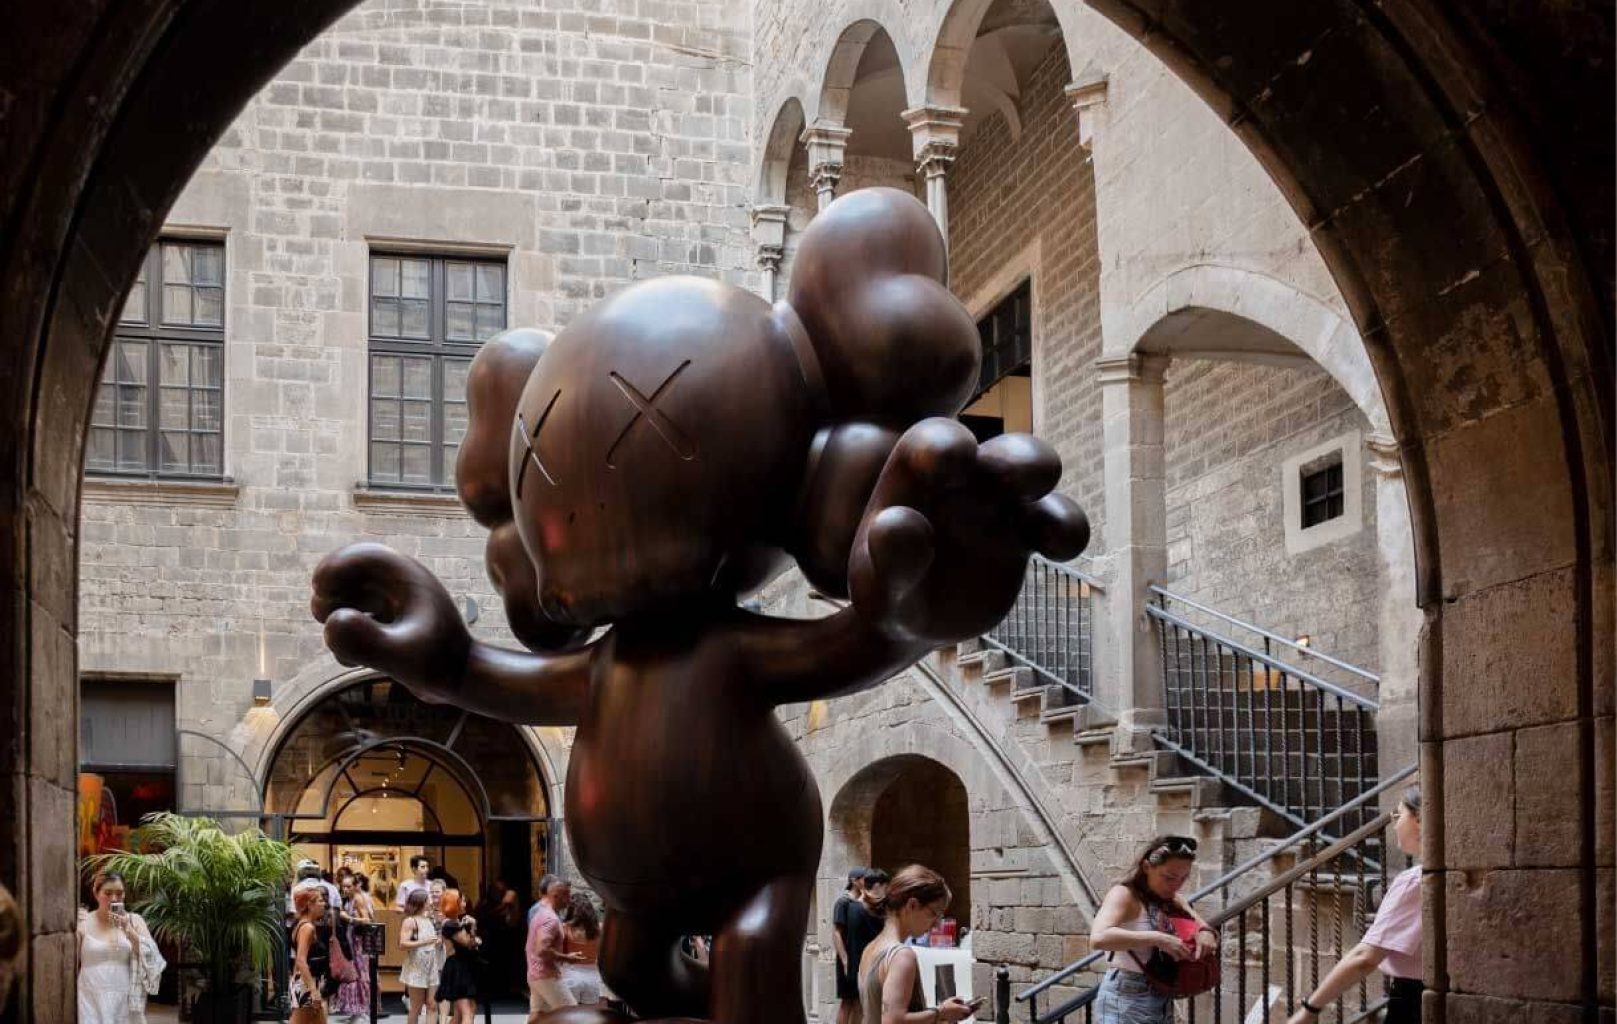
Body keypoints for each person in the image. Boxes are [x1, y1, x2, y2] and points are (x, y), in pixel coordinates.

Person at [1288, 785, 1424, 1024]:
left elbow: (1364, 957)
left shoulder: (1414, 881)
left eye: (1399, 814)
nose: (1394, 825)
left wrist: (1310, 1009)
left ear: (1419, 820)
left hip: (1412, 1001)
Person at [1089, 835, 1219, 1024]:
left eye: (1183, 878)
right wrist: (1158, 938)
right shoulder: (1124, 894)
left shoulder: (1175, 899)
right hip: (1126, 996)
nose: (1176, 885)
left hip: (1163, 994)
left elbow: (1204, 928)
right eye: (1169, 877)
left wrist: (1207, 934)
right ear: (1147, 867)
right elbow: (1098, 938)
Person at [858, 865, 976, 1024]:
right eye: (934, 914)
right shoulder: (901, 956)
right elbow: (893, 1020)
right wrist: (942, 1012)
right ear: (912, 905)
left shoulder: (871, 947)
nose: (936, 924)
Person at [77, 870, 165, 1024]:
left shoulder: (135, 921)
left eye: (119, 893)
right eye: (108, 893)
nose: (114, 898)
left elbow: (153, 957)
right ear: (96, 893)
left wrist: (128, 930)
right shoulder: (84, 923)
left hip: (125, 997)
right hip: (90, 996)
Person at [526, 874, 584, 1020]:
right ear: (555, 895)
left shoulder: (541, 913)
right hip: (547, 976)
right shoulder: (550, 918)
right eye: (566, 895)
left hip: (535, 974)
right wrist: (567, 958)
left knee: (538, 1016)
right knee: (572, 1016)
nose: (569, 900)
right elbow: (542, 949)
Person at [331, 875, 373, 1024]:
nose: (345, 889)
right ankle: (356, 1009)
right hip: (352, 941)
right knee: (354, 974)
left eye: (348, 886)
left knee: (361, 974)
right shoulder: (349, 900)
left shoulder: (358, 899)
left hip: (358, 943)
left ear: (355, 886)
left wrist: (348, 918)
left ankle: (363, 1010)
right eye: (343, 886)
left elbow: (367, 920)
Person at [290, 886, 332, 1024]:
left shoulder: (303, 924)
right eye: (320, 901)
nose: (324, 904)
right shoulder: (307, 928)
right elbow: (301, 960)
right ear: (310, 905)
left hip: (307, 982)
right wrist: (313, 990)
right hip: (307, 984)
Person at [399, 888, 441, 1024]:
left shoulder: (429, 919)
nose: (430, 902)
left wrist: (436, 941)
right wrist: (425, 941)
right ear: (421, 902)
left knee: (432, 1004)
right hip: (416, 967)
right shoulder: (410, 921)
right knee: (416, 1007)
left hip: (431, 966)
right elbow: (402, 944)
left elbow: (431, 940)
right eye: (428, 900)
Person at [833, 867, 870, 1024]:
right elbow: (836, 933)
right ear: (854, 881)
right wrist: (845, 959)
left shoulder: (862, 903)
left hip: (860, 957)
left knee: (859, 1002)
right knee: (847, 1002)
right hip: (848, 958)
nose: (866, 881)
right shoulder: (843, 902)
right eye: (863, 878)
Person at [560, 891, 608, 1006]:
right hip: (593, 977)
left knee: (569, 1014)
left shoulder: (564, 928)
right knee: (591, 1014)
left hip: (570, 975)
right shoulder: (600, 928)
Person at [436, 919, 484, 1024]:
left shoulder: (456, 927)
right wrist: (472, 927)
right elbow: (468, 943)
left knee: (462, 1013)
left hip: (463, 968)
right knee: (467, 1012)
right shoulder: (451, 926)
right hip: (459, 970)